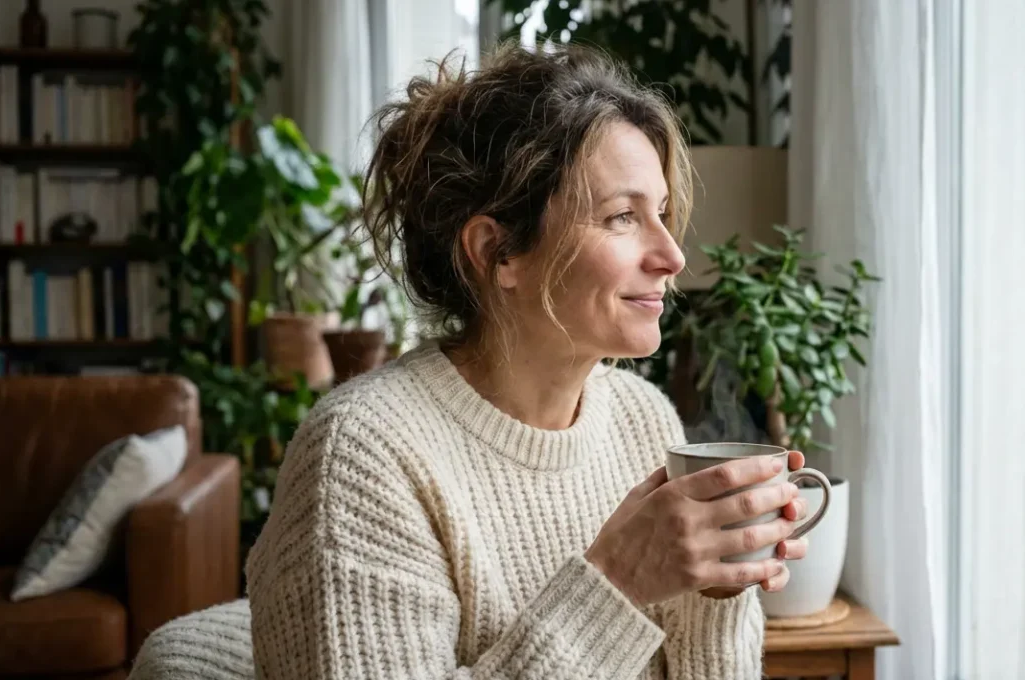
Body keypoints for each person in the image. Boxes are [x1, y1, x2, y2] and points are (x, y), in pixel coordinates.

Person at [243, 44, 812, 679]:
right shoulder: (362, 455)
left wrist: (716, 593)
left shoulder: (643, 419)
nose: (673, 256)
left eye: (662, 213)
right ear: (499, 252)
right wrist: (617, 583)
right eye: (623, 216)